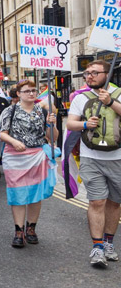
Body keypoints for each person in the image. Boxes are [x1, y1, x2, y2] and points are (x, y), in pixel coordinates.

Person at [66, 60, 121, 268]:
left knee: (115, 203)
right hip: (91, 158)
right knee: (97, 202)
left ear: (107, 74)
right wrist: (85, 124)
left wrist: (110, 103)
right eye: (86, 73)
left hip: (118, 158)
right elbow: (71, 123)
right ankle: (97, 247)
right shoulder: (81, 98)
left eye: (94, 73)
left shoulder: (118, 95)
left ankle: (109, 243)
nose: (89, 76)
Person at [0, 80, 58, 250]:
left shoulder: (43, 111)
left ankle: (31, 228)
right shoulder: (10, 110)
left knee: (35, 193)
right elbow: (2, 133)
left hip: (36, 155)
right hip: (15, 157)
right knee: (17, 194)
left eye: (33, 91)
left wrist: (51, 123)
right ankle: (19, 231)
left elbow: (52, 136)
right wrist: (14, 141)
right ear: (18, 93)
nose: (31, 94)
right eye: (27, 91)